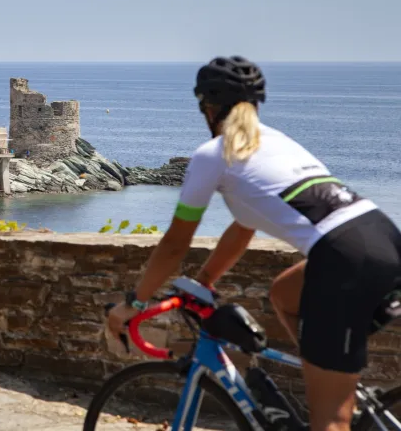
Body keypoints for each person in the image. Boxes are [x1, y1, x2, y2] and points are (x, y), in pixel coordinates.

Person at [107, 56, 401, 431]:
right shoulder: (278, 141)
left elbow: (175, 244)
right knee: (283, 293)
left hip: (342, 258)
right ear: (256, 104)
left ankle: (335, 395)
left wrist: (134, 304)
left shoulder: (212, 154)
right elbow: (244, 227)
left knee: (329, 422)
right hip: (384, 236)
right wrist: (205, 281)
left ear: (207, 109)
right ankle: (332, 373)